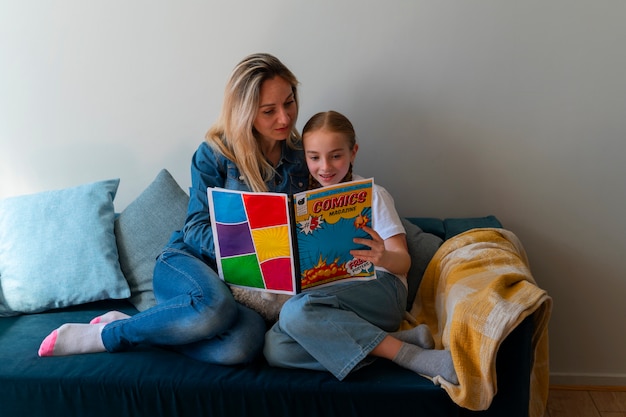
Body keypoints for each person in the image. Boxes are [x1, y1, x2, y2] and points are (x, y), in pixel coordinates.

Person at [38, 53, 309, 365]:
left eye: (289, 102)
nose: (285, 118)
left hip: (248, 290)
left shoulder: (304, 157)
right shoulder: (215, 154)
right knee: (214, 308)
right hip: (190, 264)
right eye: (269, 111)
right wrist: (256, 248)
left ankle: (147, 325)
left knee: (242, 347)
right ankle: (110, 335)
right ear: (245, 112)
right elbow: (195, 228)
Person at [264, 110, 458, 383]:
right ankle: (391, 341)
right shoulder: (301, 204)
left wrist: (384, 257)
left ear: (353, 152)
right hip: (331, 303)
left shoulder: (374, 195)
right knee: (276, 348)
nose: (325, 167)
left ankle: (411, 356)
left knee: (294, 312)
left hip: (381, 290)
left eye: (336, 155)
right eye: (314, 157)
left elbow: (404, 262)